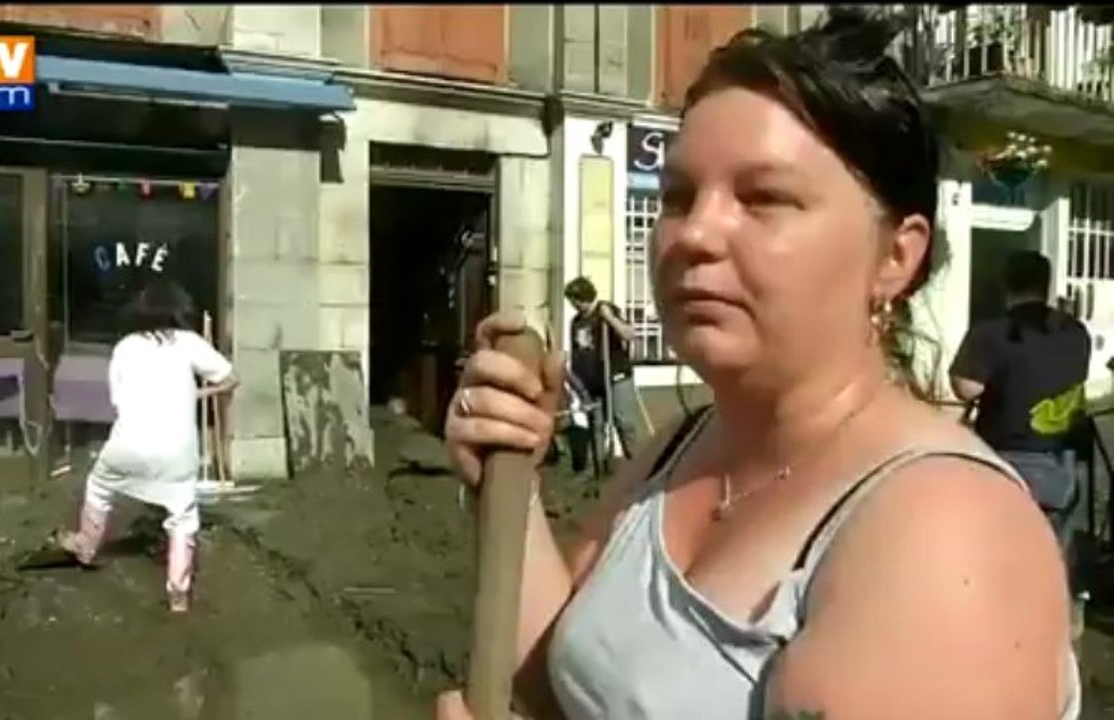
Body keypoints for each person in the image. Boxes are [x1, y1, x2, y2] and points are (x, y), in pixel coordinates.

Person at [439, 9, 1078, 720]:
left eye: (764, 197)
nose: (693, 234)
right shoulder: (679, 448)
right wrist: (511, 479)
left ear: (896, 255)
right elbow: (555, 684)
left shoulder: (945, 537)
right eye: (677, 197)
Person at [56, 279, 238, 613]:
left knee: (99, 486)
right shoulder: (189, 343)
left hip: (128, 445)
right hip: (177, 455)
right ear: (178, 310)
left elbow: (117, 401)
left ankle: (85, 546)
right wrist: (199, 393)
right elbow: (230, 378)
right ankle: (178, 595)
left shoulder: (125, 347)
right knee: (183, 518)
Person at [950, 250, 1091, 549]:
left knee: (997, 552)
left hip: (1006, 463)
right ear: (1046, 286)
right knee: (1053, 553)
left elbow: (965, 388)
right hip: (1061, 465)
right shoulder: (1076, 333)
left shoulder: (990, 333)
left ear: (1006, 286)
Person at [563, 276, 648, 461]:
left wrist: (609, 318)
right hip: (592, 384)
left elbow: (629, 335)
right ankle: (600, 472)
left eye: (575, 300)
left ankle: (638, 466)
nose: (573, 305)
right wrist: (579, 386)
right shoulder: (576, 322)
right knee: (597, 427)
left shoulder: (605, 310)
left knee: (624, 422)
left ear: (583, 297)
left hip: (616, 377)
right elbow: (578, 353)